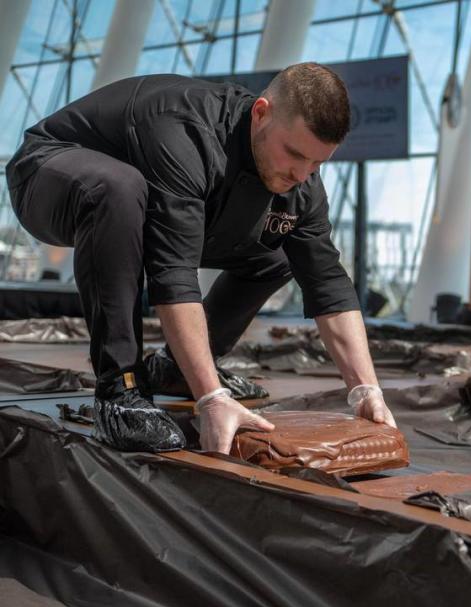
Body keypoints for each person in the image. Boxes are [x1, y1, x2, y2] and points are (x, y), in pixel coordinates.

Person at [4, 63, 396, 453]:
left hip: (150, 200)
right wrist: (212, 397)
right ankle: (119, 388)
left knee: (280, 248)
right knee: (119, 189)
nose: (303, 173)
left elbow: (327, 281)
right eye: (294, 154)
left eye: (317, 163)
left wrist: (365, 389)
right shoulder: (185, 132)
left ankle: (176, 369)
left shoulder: (302, 180)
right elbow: (173, 273)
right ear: (261, 114)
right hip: (48, 171)